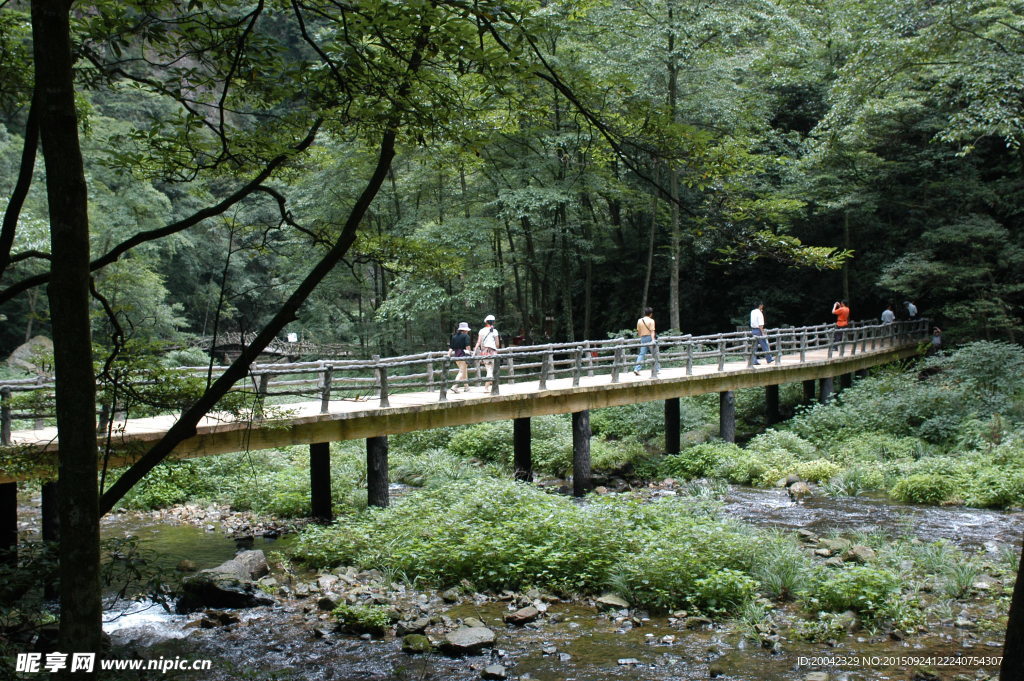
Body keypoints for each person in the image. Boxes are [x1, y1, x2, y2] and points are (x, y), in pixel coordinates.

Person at [473, 314, 500, 390]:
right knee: (491, 370)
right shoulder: (495, 331)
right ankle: (486, 387)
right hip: (493, 352)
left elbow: (479, 342)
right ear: (493, 322)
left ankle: (488, 385)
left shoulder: (482, 330)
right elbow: (497, 343)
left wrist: (475, 350)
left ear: (486, 322)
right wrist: (496, 349)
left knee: (488, 369)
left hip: (485, 352)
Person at [633, 307, 660, 375]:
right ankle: (656, 369)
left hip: (643, 338)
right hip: (650, 337)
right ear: (651, 314)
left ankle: (636, 369)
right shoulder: (651, 321)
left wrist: (642, 336)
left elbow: (638, 331)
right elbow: (652, 331)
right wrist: (653, 340)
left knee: (641, 354)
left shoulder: (639, 320)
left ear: (645, 313)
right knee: (654, 353)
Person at [448, 322, 472, 392]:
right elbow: (467, 346)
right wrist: (469, 355)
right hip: (463, 355)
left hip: (456, 356)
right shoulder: (466, 336)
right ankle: (454, 386)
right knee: (462, 371)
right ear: (465, 330)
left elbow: (451, 348)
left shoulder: (454, 337)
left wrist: (448, 355)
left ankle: (466, 387)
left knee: (464, 370)